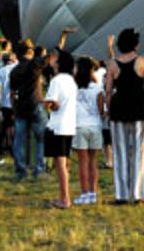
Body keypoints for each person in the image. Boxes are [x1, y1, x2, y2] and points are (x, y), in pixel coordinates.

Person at [104, 29, 144, 204]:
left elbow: (108, 91)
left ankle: (122, 195)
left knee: (120, 153)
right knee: (139, 152)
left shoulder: (112, 64)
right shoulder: (143, 62)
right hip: (139, 110)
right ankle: (138, 194)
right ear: (136, 44)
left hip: (118, 110)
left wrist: (108, 109)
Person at [43, 50, 78, 209]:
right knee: (64, 162)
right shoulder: (71, 80)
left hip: (57, 126)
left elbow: (51, 104)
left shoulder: (56, 80)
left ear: (59, 63)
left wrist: (46, 103)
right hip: (69, 124)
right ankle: (65, 197)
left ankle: (65, 199)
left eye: (55, 58)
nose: (52, 60)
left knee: (60, 164)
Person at [10, 41, 48, 182]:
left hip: (21, 107)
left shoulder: (14, 71)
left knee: (19, 141)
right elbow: (49, 58)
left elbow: (12, 93)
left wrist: (14, 108)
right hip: (36, 104)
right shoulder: (34, 65)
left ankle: (21, 171)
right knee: (41, 139)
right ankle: (39, 170)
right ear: (31, 52)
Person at [72, 56, 104, 205]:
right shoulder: (98, 88)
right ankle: (93, 193)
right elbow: (100, 109)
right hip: (95, 126)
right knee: (93, 162)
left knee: (82, 163)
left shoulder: (73, 87)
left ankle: (84, 193)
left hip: (79, 126)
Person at [0, 45, 17, 160]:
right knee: (14, 127)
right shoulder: (18, 69)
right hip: (18, 103)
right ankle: (13, 148)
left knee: (4, 127)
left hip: (6, 104)